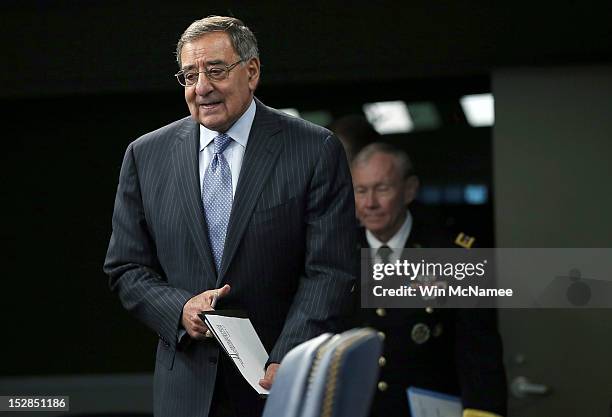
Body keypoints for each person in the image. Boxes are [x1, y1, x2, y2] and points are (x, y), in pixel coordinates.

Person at [103, 16, 356, 417]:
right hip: (184, 389)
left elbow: (330, 270)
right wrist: (181, 309)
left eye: (216, 70)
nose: (201, 87)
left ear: (251, 71)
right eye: (189, 75)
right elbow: (126, 266)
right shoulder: (145, 155)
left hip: (280, 382)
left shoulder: (314, 149)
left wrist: (286, 355)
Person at [351, 142, 507, 417]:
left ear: (409, 190)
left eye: (382, 188)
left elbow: (479, 353)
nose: (370, 203)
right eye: (360, 190)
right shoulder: (333, 253)